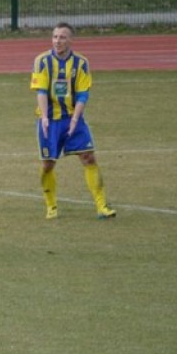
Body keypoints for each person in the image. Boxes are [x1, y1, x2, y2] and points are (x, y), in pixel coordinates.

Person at [31, 22, 116, 220]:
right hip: (49, 121)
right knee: (47, 165)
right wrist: (44, 117)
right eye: (54, 37)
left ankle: (101, 206)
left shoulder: (81, 63)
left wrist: (76, 119)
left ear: (70, 40)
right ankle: (51, 206)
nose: (57, 41)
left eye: (62, 37)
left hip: (72, 118)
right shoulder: (41, 61)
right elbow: (41, 91)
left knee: (88, 158)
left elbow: (83, 94)